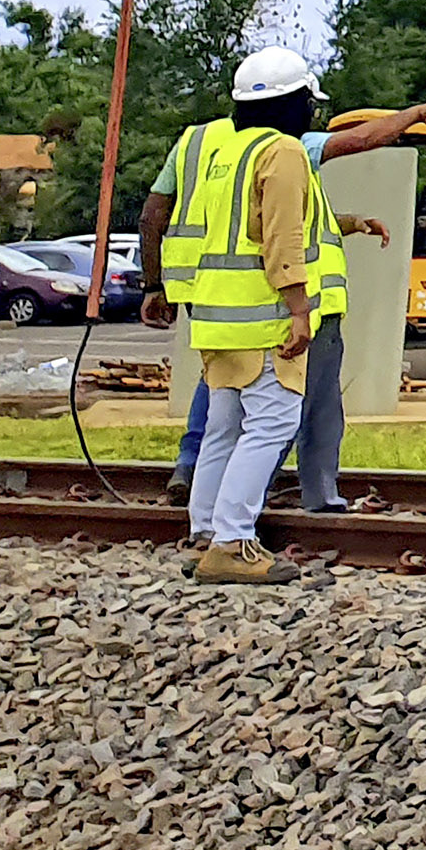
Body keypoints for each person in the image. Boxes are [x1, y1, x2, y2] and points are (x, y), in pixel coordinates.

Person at [144, 81, 426, 510]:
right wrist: (418, 113)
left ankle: (197, 486)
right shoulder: (285, 148)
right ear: (291, 107)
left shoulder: (201, 144)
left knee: (221, 407)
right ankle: (250, 519)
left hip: (205, 294)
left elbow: (153, 216)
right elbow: (355, 147)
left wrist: (153, 284)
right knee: (281, 417)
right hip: (276, 302)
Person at [156, 49, 328, 585]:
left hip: (216, 315)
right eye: (308, 102)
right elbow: (282, 237)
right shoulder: (281, 152)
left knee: (223, 427)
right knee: (273, 422)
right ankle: (232, 542)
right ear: (291, 103)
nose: (311, 113)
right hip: (262, 317)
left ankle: (204, 534)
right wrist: (298, 308)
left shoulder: (222, 151)